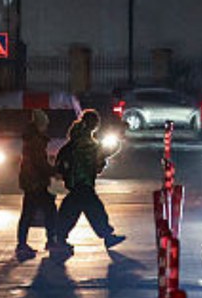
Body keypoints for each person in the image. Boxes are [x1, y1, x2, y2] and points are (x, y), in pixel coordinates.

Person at [52, 109, 126, 255]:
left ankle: (59, 238)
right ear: (94, 125)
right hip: (83, 182)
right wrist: (119, 139)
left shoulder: (74, 141)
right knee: (93, 210)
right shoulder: (88, 144)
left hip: (75, 183)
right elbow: (103, 154)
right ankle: (107, 236)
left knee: (72, 211)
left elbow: (61, 159)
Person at [15, 109, 59, 259]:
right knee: (49, 210)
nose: (46, 127)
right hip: (36, 181)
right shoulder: (37, 141)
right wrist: (53, 172)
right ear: (40, 125)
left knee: (29, 212)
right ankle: (50, 241)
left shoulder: (31, 138)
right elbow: (40, 163)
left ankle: (23, 243)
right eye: (45, 124)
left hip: (30, 181)